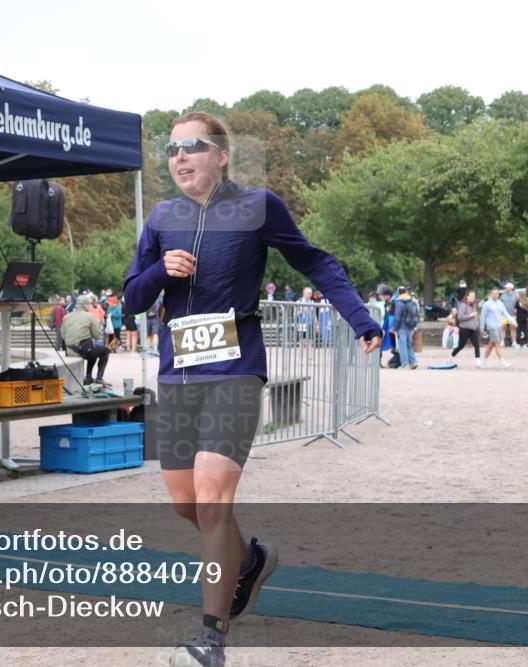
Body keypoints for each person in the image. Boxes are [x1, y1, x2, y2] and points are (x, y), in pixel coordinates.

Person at [123, 111, 381, 667]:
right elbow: (130, 300)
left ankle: (211, 638)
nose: (180, 156)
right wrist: (161, 272)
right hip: (177, 371)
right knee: (186, 503)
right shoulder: (162, 216)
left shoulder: (257, 206)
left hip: (237, 368)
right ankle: (250, 560)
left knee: (214, 496)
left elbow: (316, 261)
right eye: (171, 148)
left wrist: (360, 319)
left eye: (192, 146)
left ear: (221, 155)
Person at [60, 294, 109, 385]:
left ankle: (89, 377)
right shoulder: (89, 316)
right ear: (86, 305)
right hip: (83, 350)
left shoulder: (67, 316)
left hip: (69, 350)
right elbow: (96, 336)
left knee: (93, 348)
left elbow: (63, 335)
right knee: (105, 350)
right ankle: (99, 378)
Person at [479, 288, 516, 368]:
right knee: (497, 343)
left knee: (491, 344)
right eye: (494, 293)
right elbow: (483, 317)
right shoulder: (487, 304)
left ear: (498, 294)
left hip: (498, 326)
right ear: (491, 294)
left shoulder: (500, 304)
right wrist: (481, 328)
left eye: (497, 293)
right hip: (491, 327)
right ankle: (503, 362)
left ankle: (483, 362)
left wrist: (513, 322)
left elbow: (506, 314)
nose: (495, 294)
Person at [448, 290, 480, 365]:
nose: (472, 298)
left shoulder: (474, 305)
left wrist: (477, 324)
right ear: (467, 297)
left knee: (477, 344)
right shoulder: (463, 305)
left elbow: (475, 317)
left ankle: (478, 362)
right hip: (464, 328)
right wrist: (470, 315)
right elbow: (460, 317)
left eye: (473, 296)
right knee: (461, 346)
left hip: (473, 329)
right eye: (471, 296)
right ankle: (451, 357)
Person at [392, 286, 419, 369]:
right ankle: (414, 362)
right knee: (409, 345)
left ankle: (404, 364)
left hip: (402, 327)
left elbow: (397, 317)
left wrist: (395, 329)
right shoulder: (411, 301)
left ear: (398, 293)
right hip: (410, 327)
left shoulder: (399, 302)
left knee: (402, 345)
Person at [499, 282, 520, 348]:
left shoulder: (516, 295)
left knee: (513, 328)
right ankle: (502, 342)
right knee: (503, 328)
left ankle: (514, 342)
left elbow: (518, 304)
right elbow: (500, 303)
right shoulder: (503, 295)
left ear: (511, 288)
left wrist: (516, 310)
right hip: (504, 315)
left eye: (507, 287)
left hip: (512, 315)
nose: (506, 288)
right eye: (506, 287)